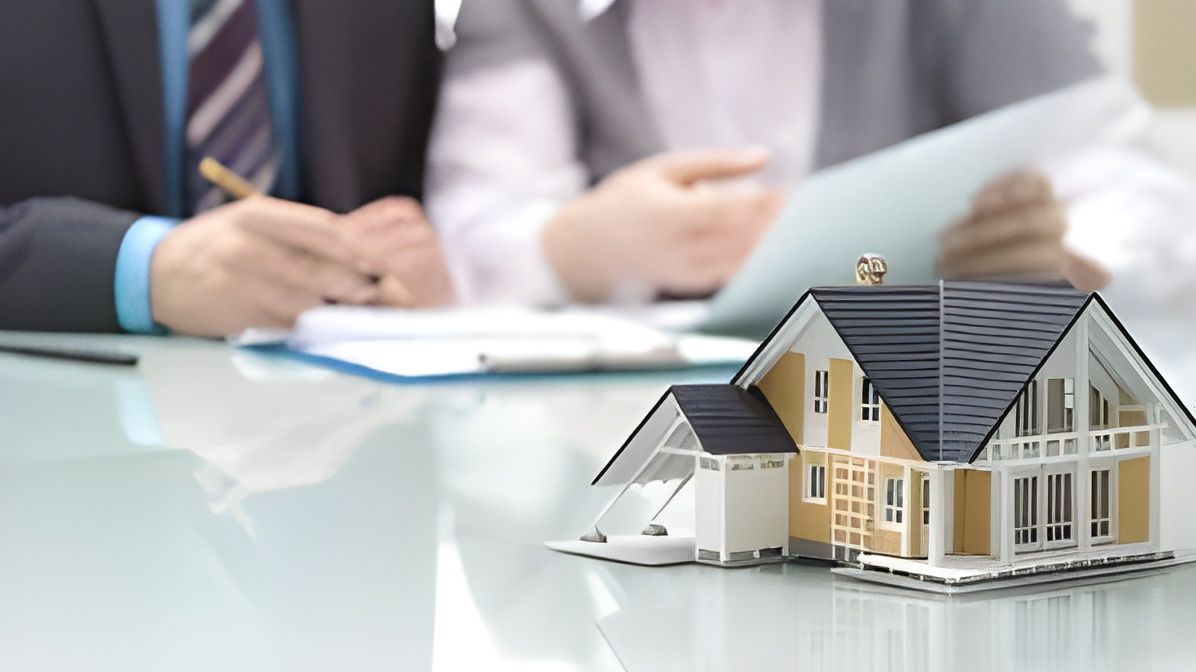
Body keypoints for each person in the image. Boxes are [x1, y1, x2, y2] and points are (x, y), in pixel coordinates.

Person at [426, 0, 1115, 306]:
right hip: (610, 436)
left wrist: (1061, 260)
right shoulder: (519, 10)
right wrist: (576, 251)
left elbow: (1121, 178)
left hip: (915, 411)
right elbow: (468, 231)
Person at [0, 0, 453, 336]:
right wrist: (145, 269)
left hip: (327, 404)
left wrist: (400, 264)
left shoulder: (398, 14)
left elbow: (420, 188)